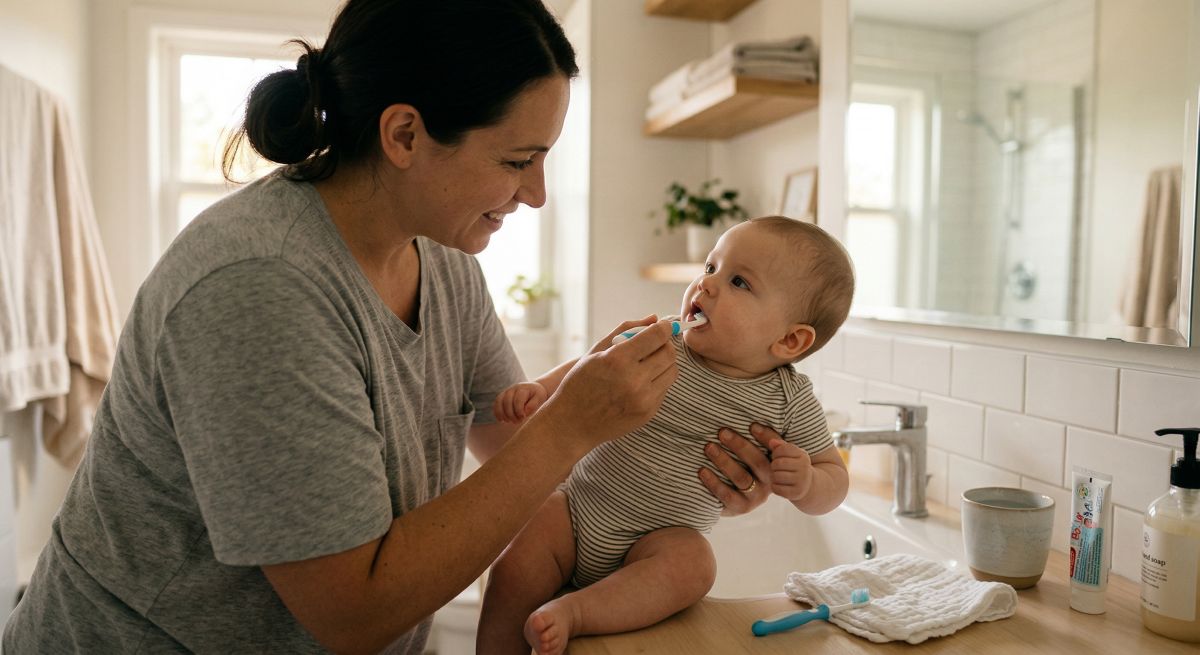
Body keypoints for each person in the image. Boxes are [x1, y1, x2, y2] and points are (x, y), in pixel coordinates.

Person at [1, 1, 779, 653]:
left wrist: (680, 475)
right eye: (518, 159)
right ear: (404, 135)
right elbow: (352, 610)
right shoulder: (260, 287)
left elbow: (515, 439)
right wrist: (572, 424)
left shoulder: (442, 262)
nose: (537, 193)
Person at [476, 216, 857, 655]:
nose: (706, 285)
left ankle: (579, 611)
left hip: (658, 541)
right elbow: (588, 369)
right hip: (577, 510)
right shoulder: (661, 340)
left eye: (738, 282)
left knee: (695, 565)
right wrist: (540, 389)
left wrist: (809, 482)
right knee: (517, 556)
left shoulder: (789, 400)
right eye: (711, 267)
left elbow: (834, 478)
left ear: (790, 340)